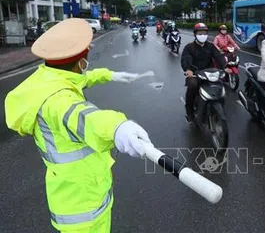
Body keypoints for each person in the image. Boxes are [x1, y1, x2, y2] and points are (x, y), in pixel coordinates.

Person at [4, 18, 153, 233]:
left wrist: (110, 75)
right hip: (83, 208)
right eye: (86, 56)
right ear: (80, 63)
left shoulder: (48, 77)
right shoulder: (57, 100)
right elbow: (84, 117)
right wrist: (118, 126)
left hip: (73, 191)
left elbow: (81, 79)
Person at [180, 23, 231, 122]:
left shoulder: (211, 46)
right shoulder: (189, 47)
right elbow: (185, 59)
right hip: (195, 74)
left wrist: (225, 67)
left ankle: (220, 110)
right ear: (195, 34)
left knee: (220, 87)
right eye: (200, 33)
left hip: (210, 73)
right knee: (192, 86)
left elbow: (219, 57)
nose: (202, 35)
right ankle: (189, 111)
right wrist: (188, 70)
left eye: (204, 33)